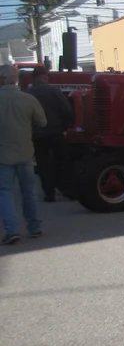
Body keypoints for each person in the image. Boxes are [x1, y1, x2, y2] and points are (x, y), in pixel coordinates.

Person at [0, 63, 47, 245]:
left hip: (3, 154)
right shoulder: (28, 99)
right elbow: (42, 122)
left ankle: (12, 230)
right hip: (25, 152)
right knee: (29, 192)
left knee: (5, 192)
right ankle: (34, 227)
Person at [27, 67, 73, 202]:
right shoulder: (53, 91)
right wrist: (65, 126)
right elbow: (66, 110)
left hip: (37, 134)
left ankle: (49, 193)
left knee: (43, 163)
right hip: (55, 132)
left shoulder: (28, 93)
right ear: (44, 77)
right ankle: (67, 190)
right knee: (62, 160)